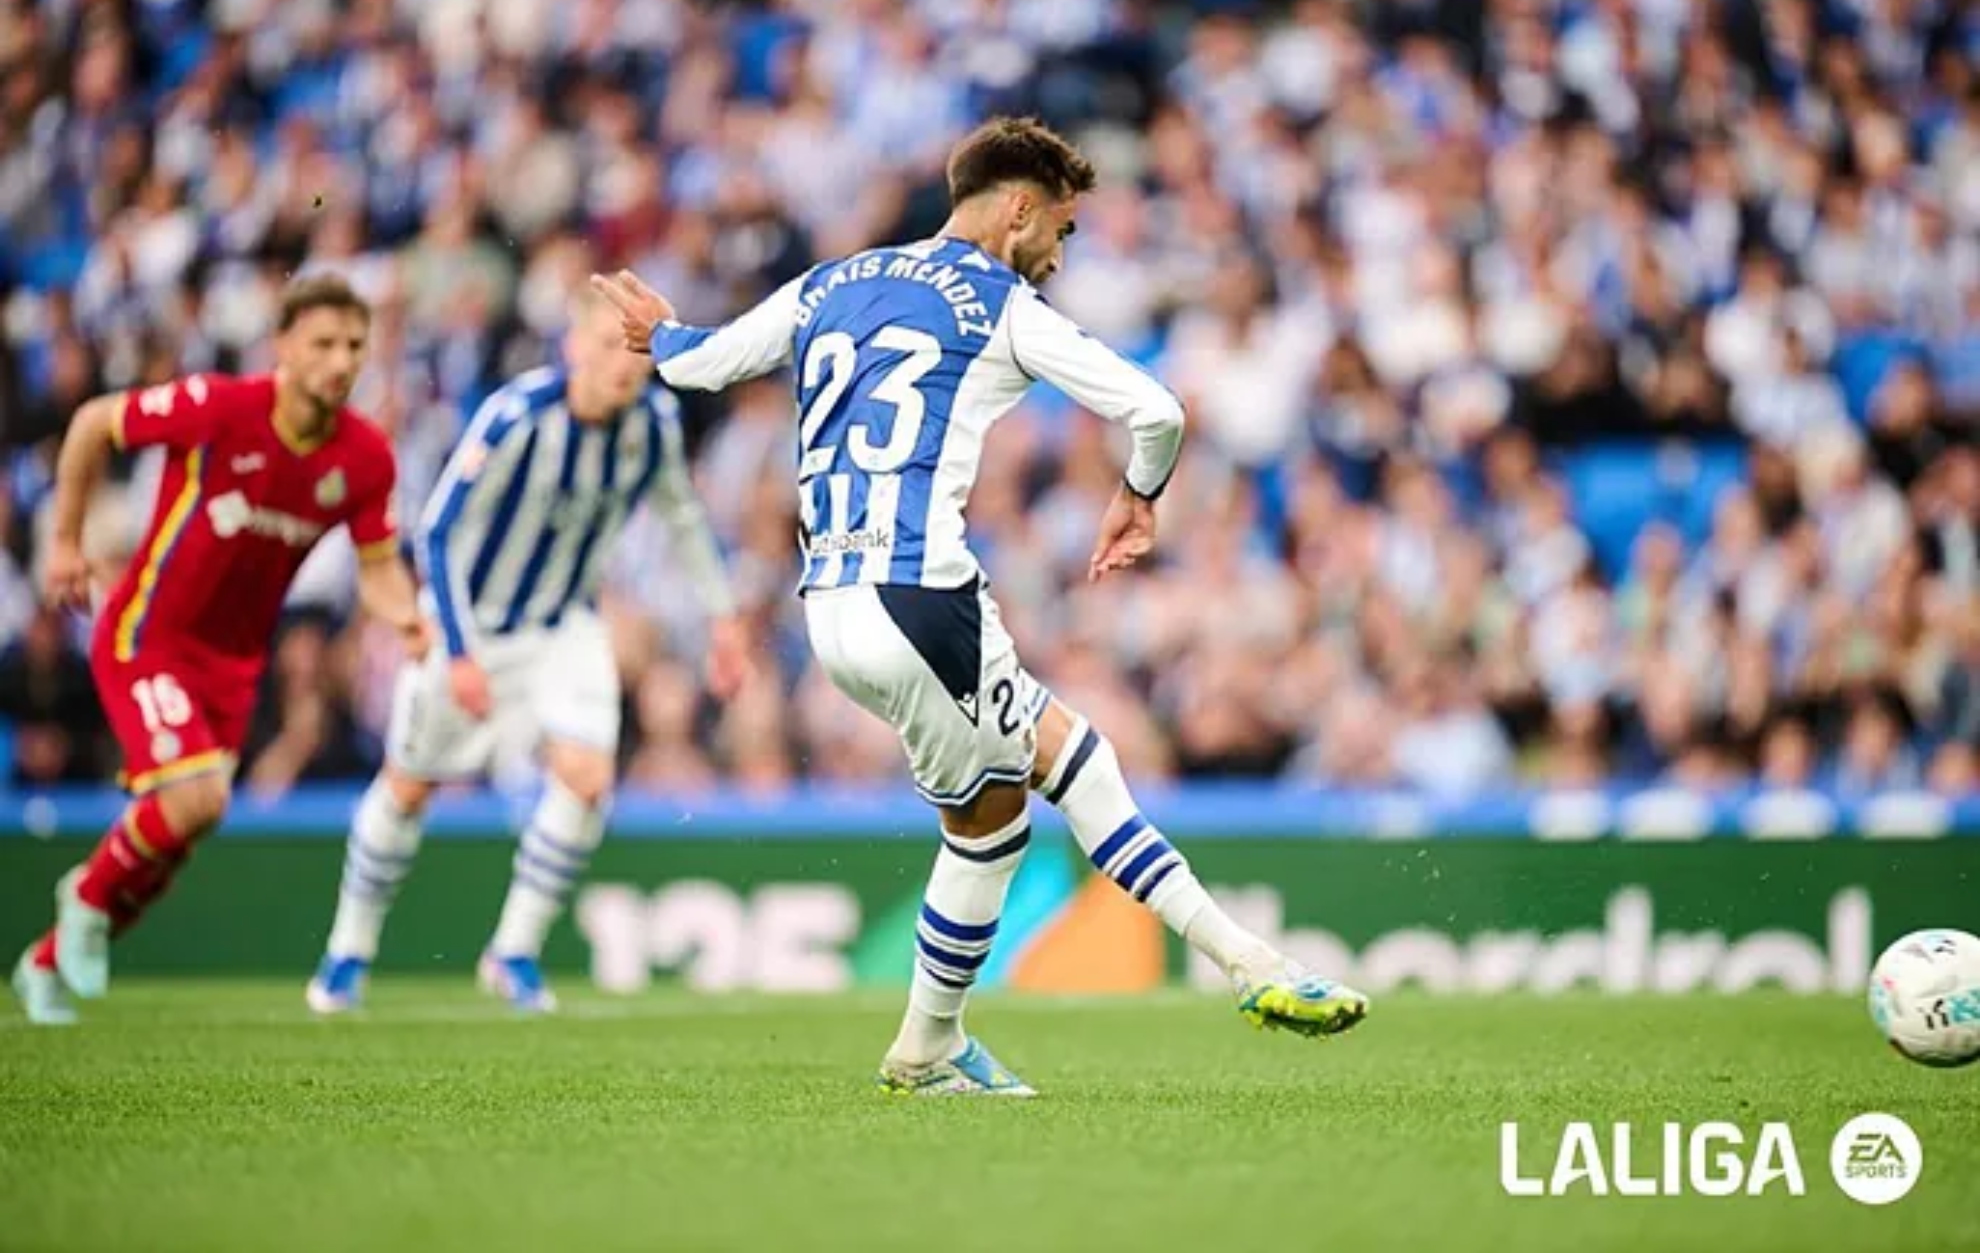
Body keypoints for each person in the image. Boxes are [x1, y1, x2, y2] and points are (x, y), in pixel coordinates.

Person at [592, 116, 1368, 1095]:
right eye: (1061, 229)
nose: (1058, 251)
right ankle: (1255, 966)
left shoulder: (834, 280)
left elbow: (700, 362)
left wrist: (659, 331)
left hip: (829, 607)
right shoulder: (1000, 302)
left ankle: (931, 1046)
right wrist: (1138, 494)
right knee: (1077, 765)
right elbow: (1158, 412)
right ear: (1017, 209)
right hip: (921, 595)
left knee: (994, 816)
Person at [306, 289, 749, 1014]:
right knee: (411, 785)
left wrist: (723, 620)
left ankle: (513, 952)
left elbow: (683, 515)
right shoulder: (518, 416)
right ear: (573, 347)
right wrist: (456, 650)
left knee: (586, 777)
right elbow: (440, 532)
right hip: (471, 623)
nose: (624, 363)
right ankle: (346, 952)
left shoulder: (655, 421)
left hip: (563, 626)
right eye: (608, 344)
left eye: (635, 347)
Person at [13, 274, 425, 1027]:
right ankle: (84, 897)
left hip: (234, 665)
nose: (341, 362)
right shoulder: (220, 409)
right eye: (324, 344)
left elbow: (378, 566)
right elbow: (91, 424)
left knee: (187, 828)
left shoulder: (365, 459)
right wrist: (67, 541)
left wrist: (408, 621)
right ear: (285, 349)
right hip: (149, 634)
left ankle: (44, 963)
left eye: (355, 346)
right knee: (194, 797)